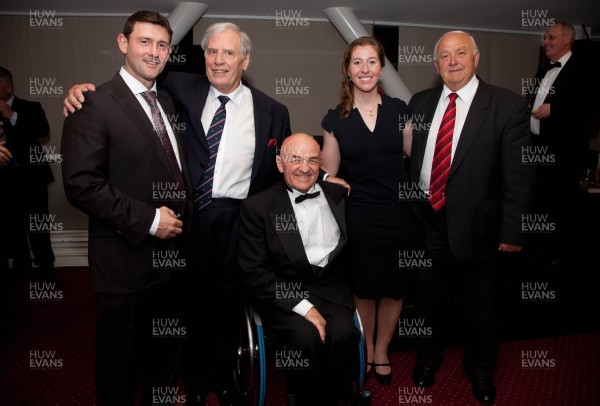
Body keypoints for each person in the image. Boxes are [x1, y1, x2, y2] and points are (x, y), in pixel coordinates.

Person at [64, 22, 292, 405]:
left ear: (246, 59)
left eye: (229, 53)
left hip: (236, 222)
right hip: (183, 221)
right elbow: (131, 89)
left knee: (226, 309)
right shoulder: (179, 90)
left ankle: (224, 378)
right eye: (211, 52)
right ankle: (196, 381)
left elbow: (281, 170)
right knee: (182, 310)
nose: (218, 61)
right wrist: (78, 90)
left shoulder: (273, 111)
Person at [61, 11, 191, 405]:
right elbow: (82, 185)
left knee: (162, 359)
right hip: (122, 262)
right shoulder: (92, 103)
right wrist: (150, 220)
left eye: (162, 45)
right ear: (123, 43)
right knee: (118, 367)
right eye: (144, 42)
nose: (154, 52)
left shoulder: (168, 101)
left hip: (170, 263)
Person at [406, 31, 535, 405]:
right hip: (429, 221)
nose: (452, 61)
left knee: (482, 307)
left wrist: (513, 230)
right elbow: (416, 160)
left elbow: (520, 176)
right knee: (427, 301)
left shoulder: (506, 105)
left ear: (475, 58)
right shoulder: (422, 101)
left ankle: (480, 371)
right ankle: (427, 360)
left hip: (481, 227)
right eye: (444, 56)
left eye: (460, 52)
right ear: (435, 65)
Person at [320, 36, 421, 386]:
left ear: (381, 68)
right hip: (360, 214)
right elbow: (328, 171)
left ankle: (381, 351)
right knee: (364, 288)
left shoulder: (400, 110)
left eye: (371, 61)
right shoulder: (335, 119)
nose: (365, 69)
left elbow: (416, 158)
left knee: (393, 288)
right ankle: (364, 349)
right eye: (357, 62)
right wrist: (331, 180)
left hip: (399, 212)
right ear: (347, 70)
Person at [238, 133, 360, 405]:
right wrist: (304, 308)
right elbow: (254, 274)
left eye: (312, 160)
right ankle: (302, 399)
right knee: (306, 337)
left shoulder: (338, 193)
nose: (305, 168)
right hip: (284, 292)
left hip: (331, 289)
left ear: (321, 164)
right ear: (280, 163)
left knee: (344, 334)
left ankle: (338, 395)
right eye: (296, 159)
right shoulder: (257, 208)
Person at [526, 21, 594, 267]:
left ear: (567, 39)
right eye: (545, 37)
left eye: (551, 37)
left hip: (563, 152)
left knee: (561, 204)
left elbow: (591, 106)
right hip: (536, 147)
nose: (546, 41)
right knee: (539, 201)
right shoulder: (543, 71)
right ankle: (539, 250)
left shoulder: (584, 68)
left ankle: (559, 254)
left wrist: (556, 109)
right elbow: (531, 102)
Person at [0, 66, 57, 281]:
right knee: (13, 227)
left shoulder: (31, 107)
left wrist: (12, 116)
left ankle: (46, 270)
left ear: (8, 87)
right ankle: (21, 270)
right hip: (5, 181)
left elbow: (43, 131)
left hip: (32, 179)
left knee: (38, 225)